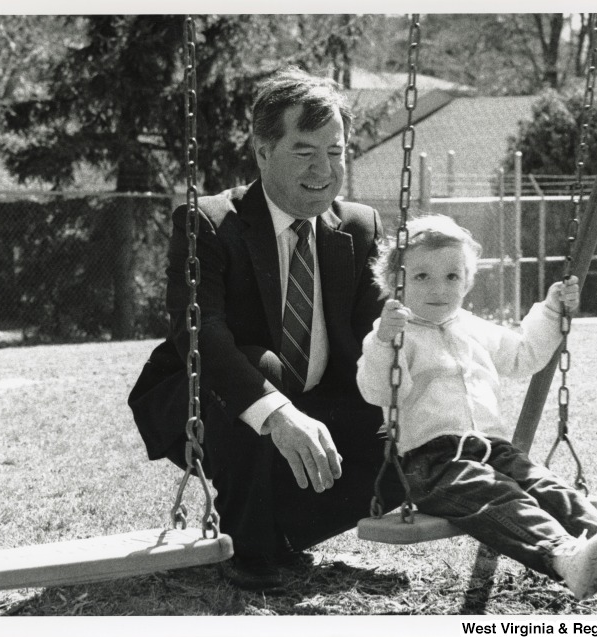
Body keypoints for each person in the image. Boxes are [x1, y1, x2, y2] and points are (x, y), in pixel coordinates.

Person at [128, 66, 403, 590]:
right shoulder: (208, 222)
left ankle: (271, 531)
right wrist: (277, 415)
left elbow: (375, 345)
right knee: (263, 364)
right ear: (262, 150)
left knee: (403, 441)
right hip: (207, 396)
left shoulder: (361, 227)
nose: (324, 169)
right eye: (305, 151)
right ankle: (251, 551)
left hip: (318, 397)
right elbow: (200, 334)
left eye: (336, 151)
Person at [356, 214, 597, 601]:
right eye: (421, 277)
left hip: (494, 448)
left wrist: (552, 310)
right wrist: (384, 340)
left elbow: (524, 355)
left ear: (466, 281)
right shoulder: (394, 337)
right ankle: (565, 557)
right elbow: (379, 390)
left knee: (546, 484)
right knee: (498, 496)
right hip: (432, 461)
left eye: (452, 276)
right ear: (394, 283)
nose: (439, 288)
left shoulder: (473, 327)